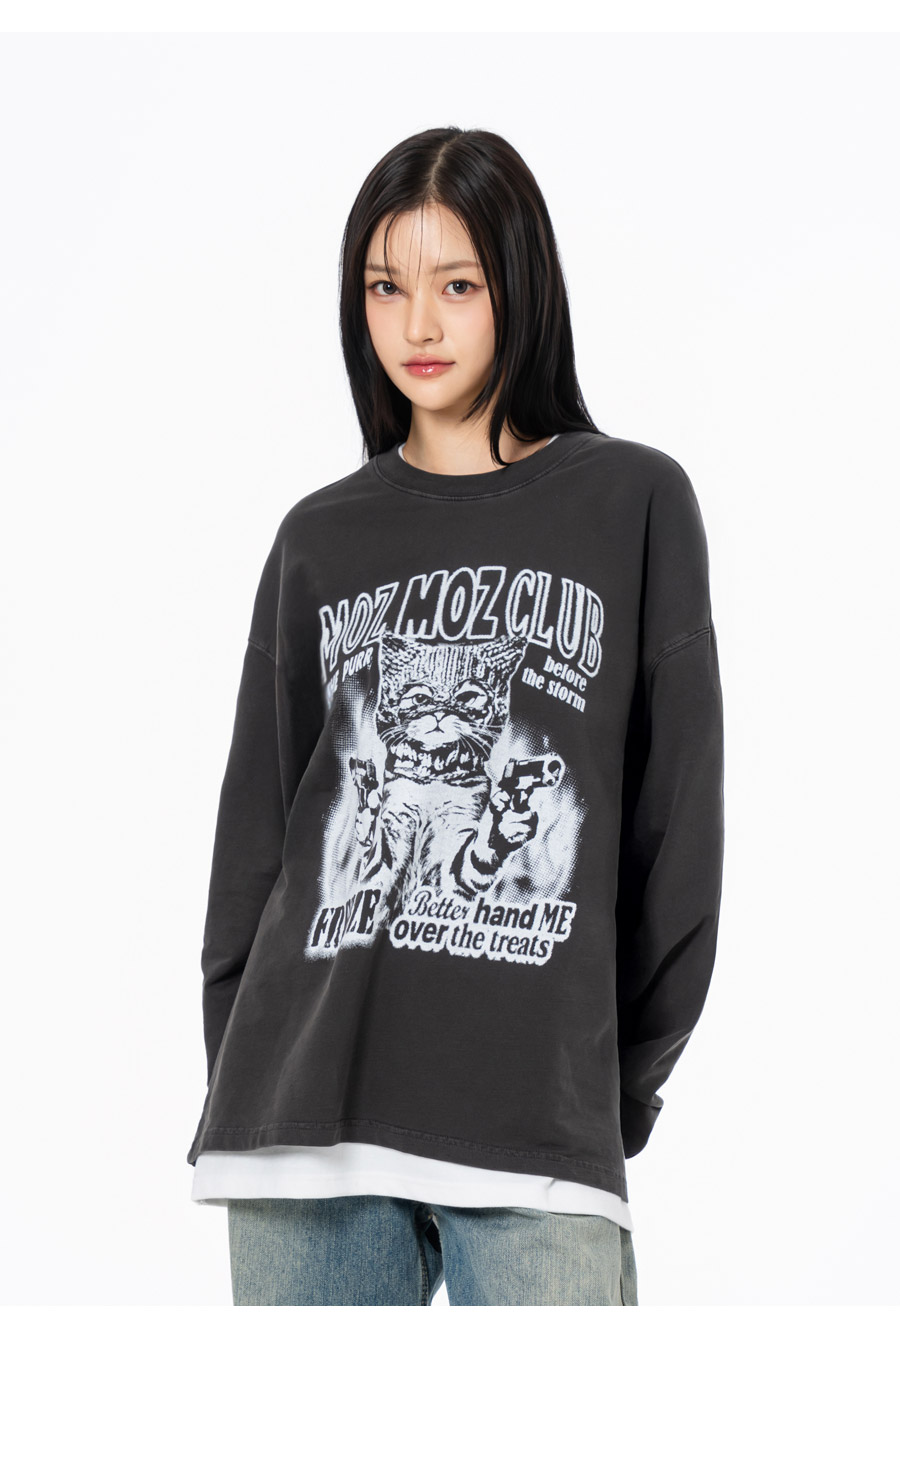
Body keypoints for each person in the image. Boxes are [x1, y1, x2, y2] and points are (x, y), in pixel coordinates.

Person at [186, 126, 725, 1307]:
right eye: (385, 286)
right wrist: (241, 1070)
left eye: (458, 285)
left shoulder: (633, 500)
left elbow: (675, 828)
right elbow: (257, 842)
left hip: (537, 1125)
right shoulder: (319, 536)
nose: (417, 325)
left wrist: (611, 1089)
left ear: (520, 285)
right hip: (303, 1121)